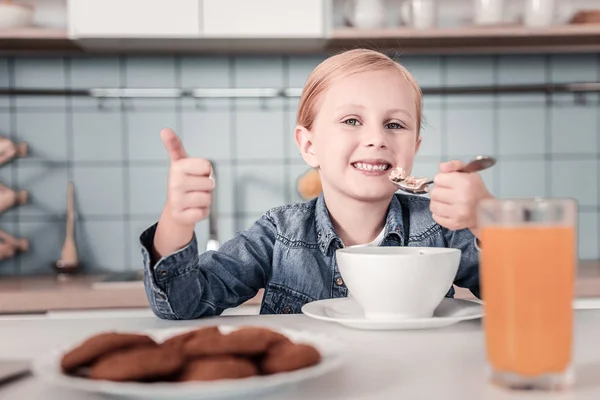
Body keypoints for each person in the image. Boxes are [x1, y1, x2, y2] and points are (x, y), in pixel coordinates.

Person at [139, 48, 493, 320]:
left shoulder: (443, 229)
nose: (376, 138)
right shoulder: (278, 234)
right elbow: (183, 305)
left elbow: (527, 296)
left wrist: (486, 220)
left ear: (413, 148)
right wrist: (177, 220)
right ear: (310, 146)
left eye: (395, 125)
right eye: (352, 120)